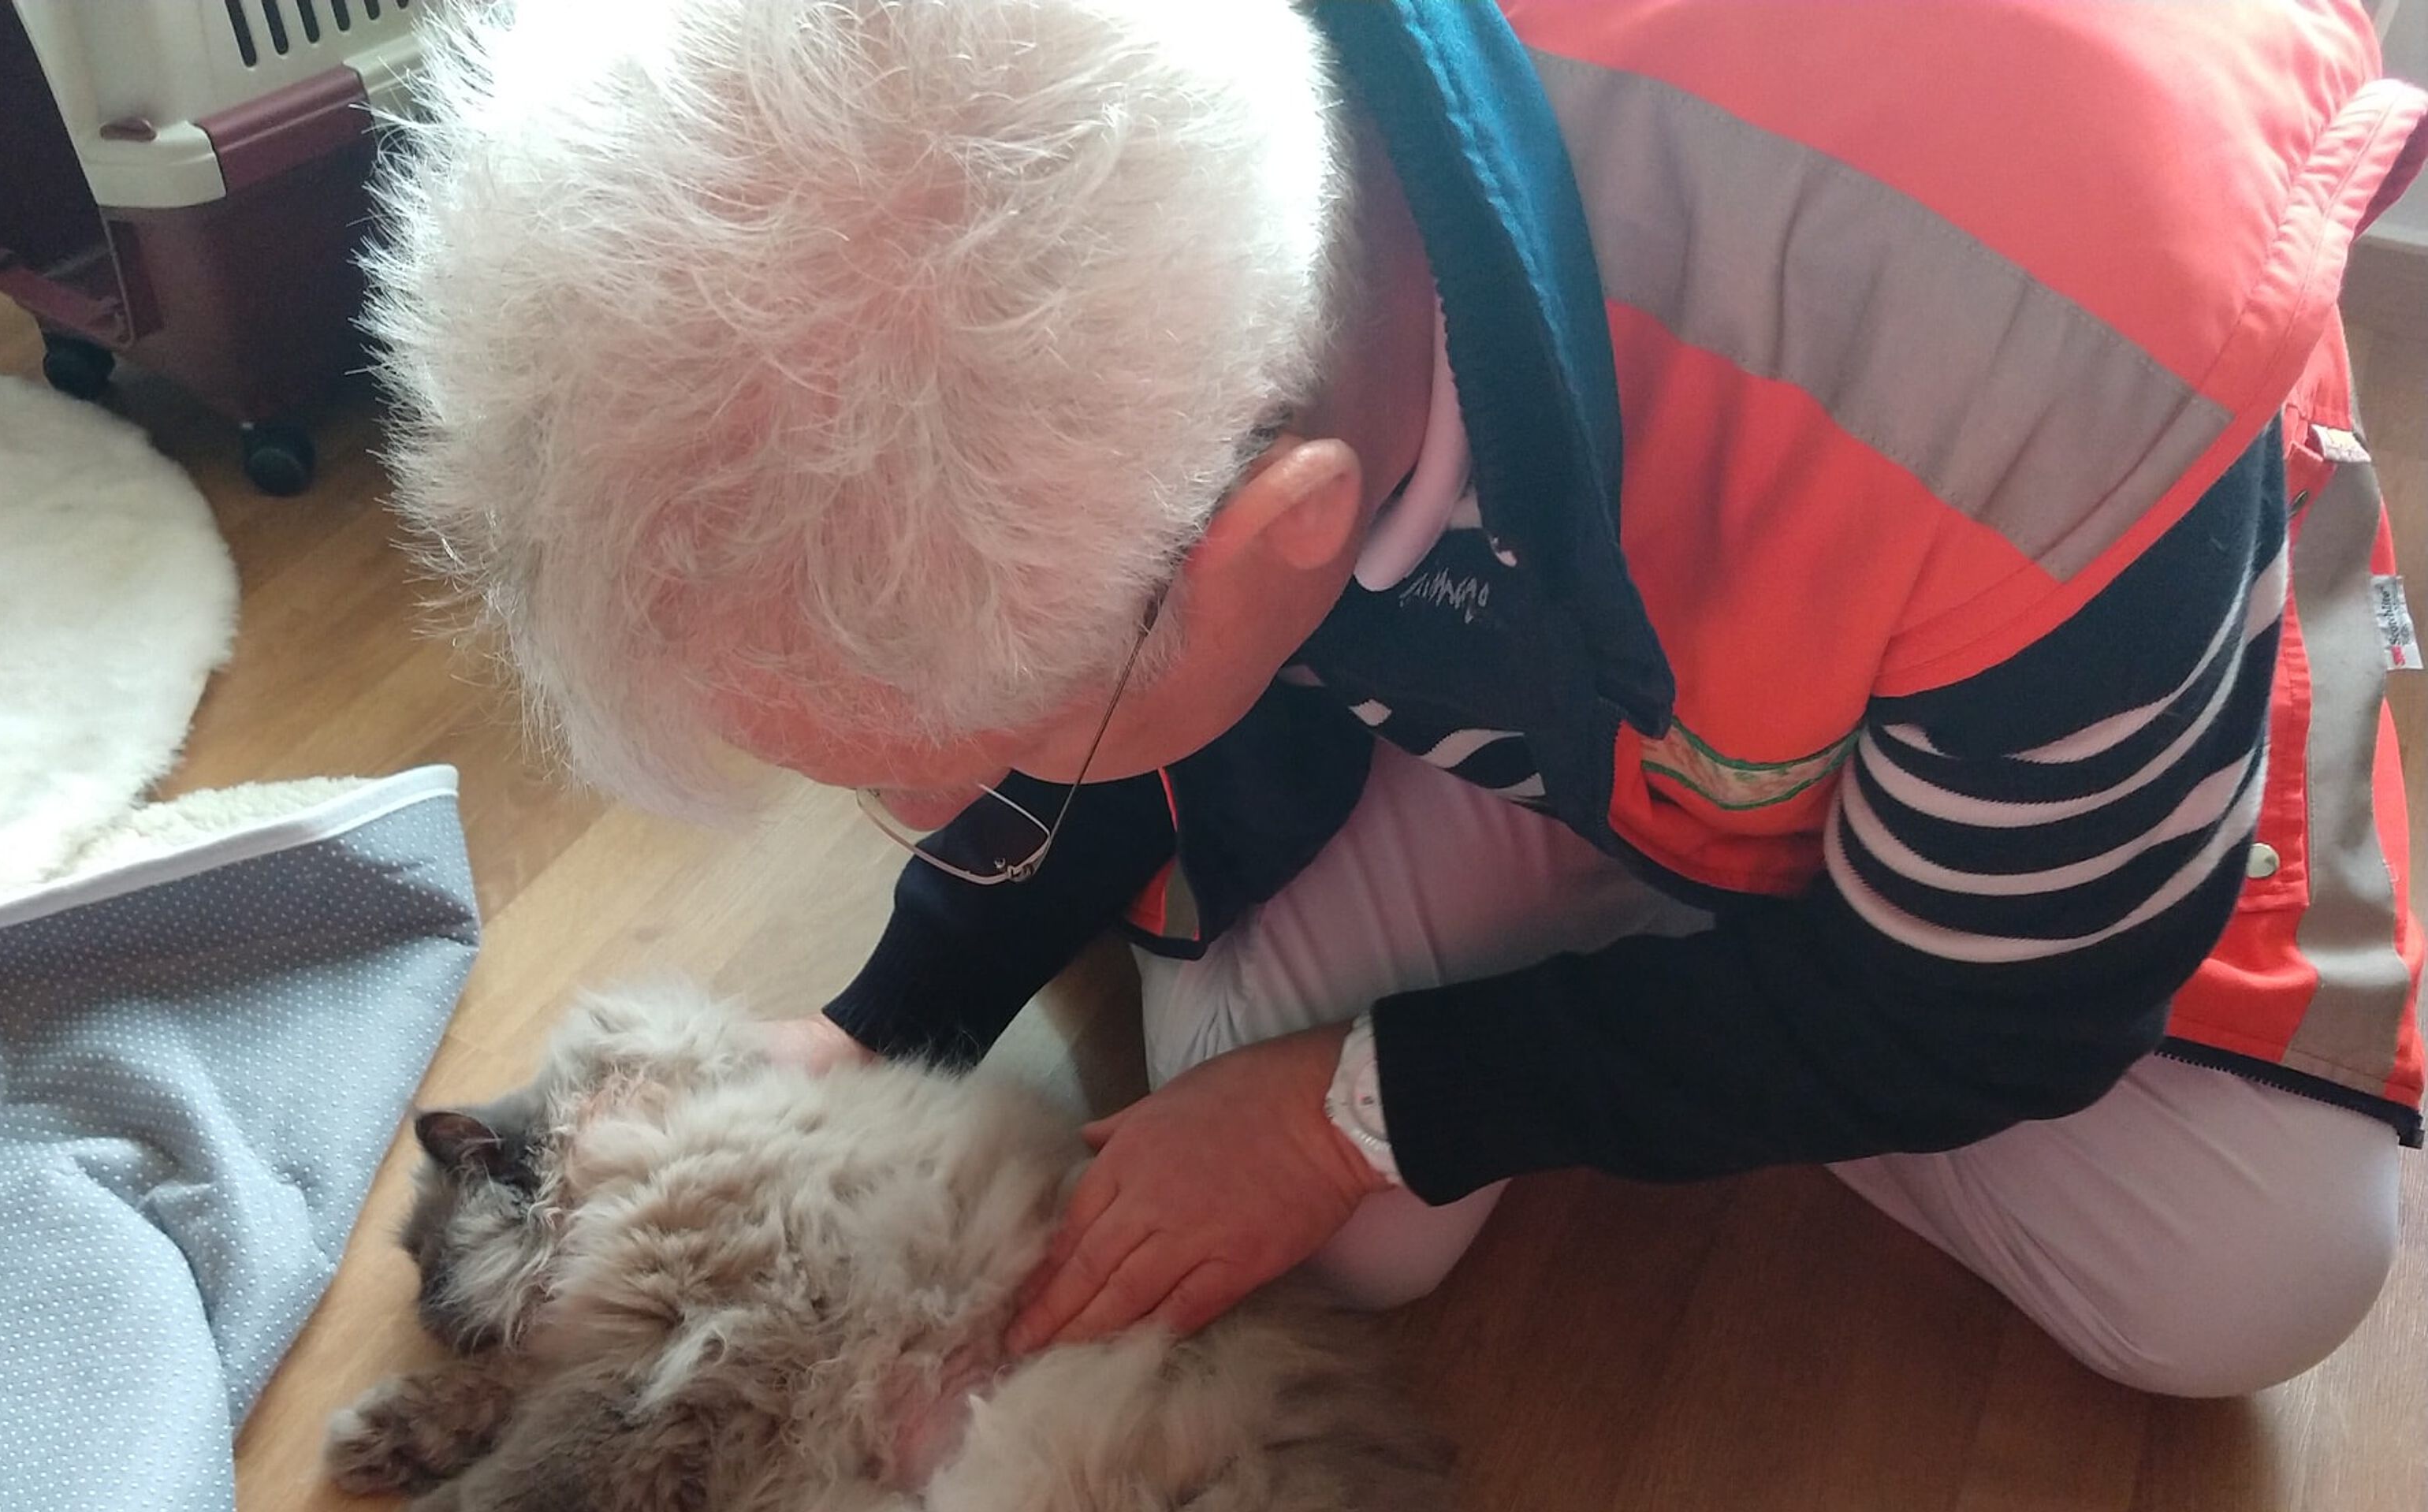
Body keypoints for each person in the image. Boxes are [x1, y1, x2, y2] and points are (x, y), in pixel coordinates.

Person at [367, 0, 2427, 1397]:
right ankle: (1663, 894)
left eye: (967, 771)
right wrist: (887, 1011)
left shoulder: (2059, 349)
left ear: (1279, 536)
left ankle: (1703, 914)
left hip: (2049, 541)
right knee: (1315, 1222)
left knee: (2250, 1271)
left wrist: (1367, 1102)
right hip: (1547, 612)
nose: (941, 814)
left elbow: (1999, 1005)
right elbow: (1072, 618)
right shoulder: (1173, 270)